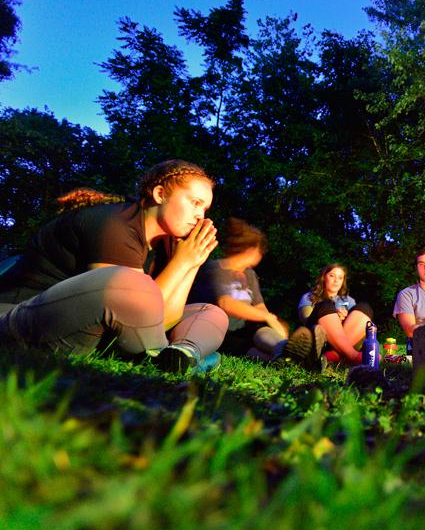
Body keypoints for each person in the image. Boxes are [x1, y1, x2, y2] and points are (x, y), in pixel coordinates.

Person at [0, 159, 228, 373]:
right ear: (160, 194)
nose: (200, 216)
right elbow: (138, 308)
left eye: (205, 209)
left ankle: (182, 354)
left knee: (210, 312)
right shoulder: (116, 224)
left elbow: (165, 317)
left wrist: (193, 262)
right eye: (195, 203)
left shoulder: (165, 244)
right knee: (130, 283)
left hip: (96, 327)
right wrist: (182, 262)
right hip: (25, 317)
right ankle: (170, 356)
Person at [189, 218, 288, 360]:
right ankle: (282, 354)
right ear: (250, 250)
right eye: (259, 252)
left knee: (261, 329)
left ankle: (283, 349)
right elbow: (225, 303)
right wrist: (266, 317)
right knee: (247, 347)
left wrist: (273, 324)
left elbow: (260, 306)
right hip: (223, 329)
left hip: (248, 328)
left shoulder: (250, 274)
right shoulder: (215, 269)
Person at [295, 263, 373, 364]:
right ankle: (353, 356)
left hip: (344, 339)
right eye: (332, 276)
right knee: (326, 305)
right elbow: (306, 320)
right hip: (320, 338)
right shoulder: (309, 297)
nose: (336, 281)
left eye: (340, 278)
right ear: (324, 277)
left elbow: (357, 324)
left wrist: (343, 320)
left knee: (364, 307)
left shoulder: (348, 301)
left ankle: (333, 356)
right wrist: (333, 318)